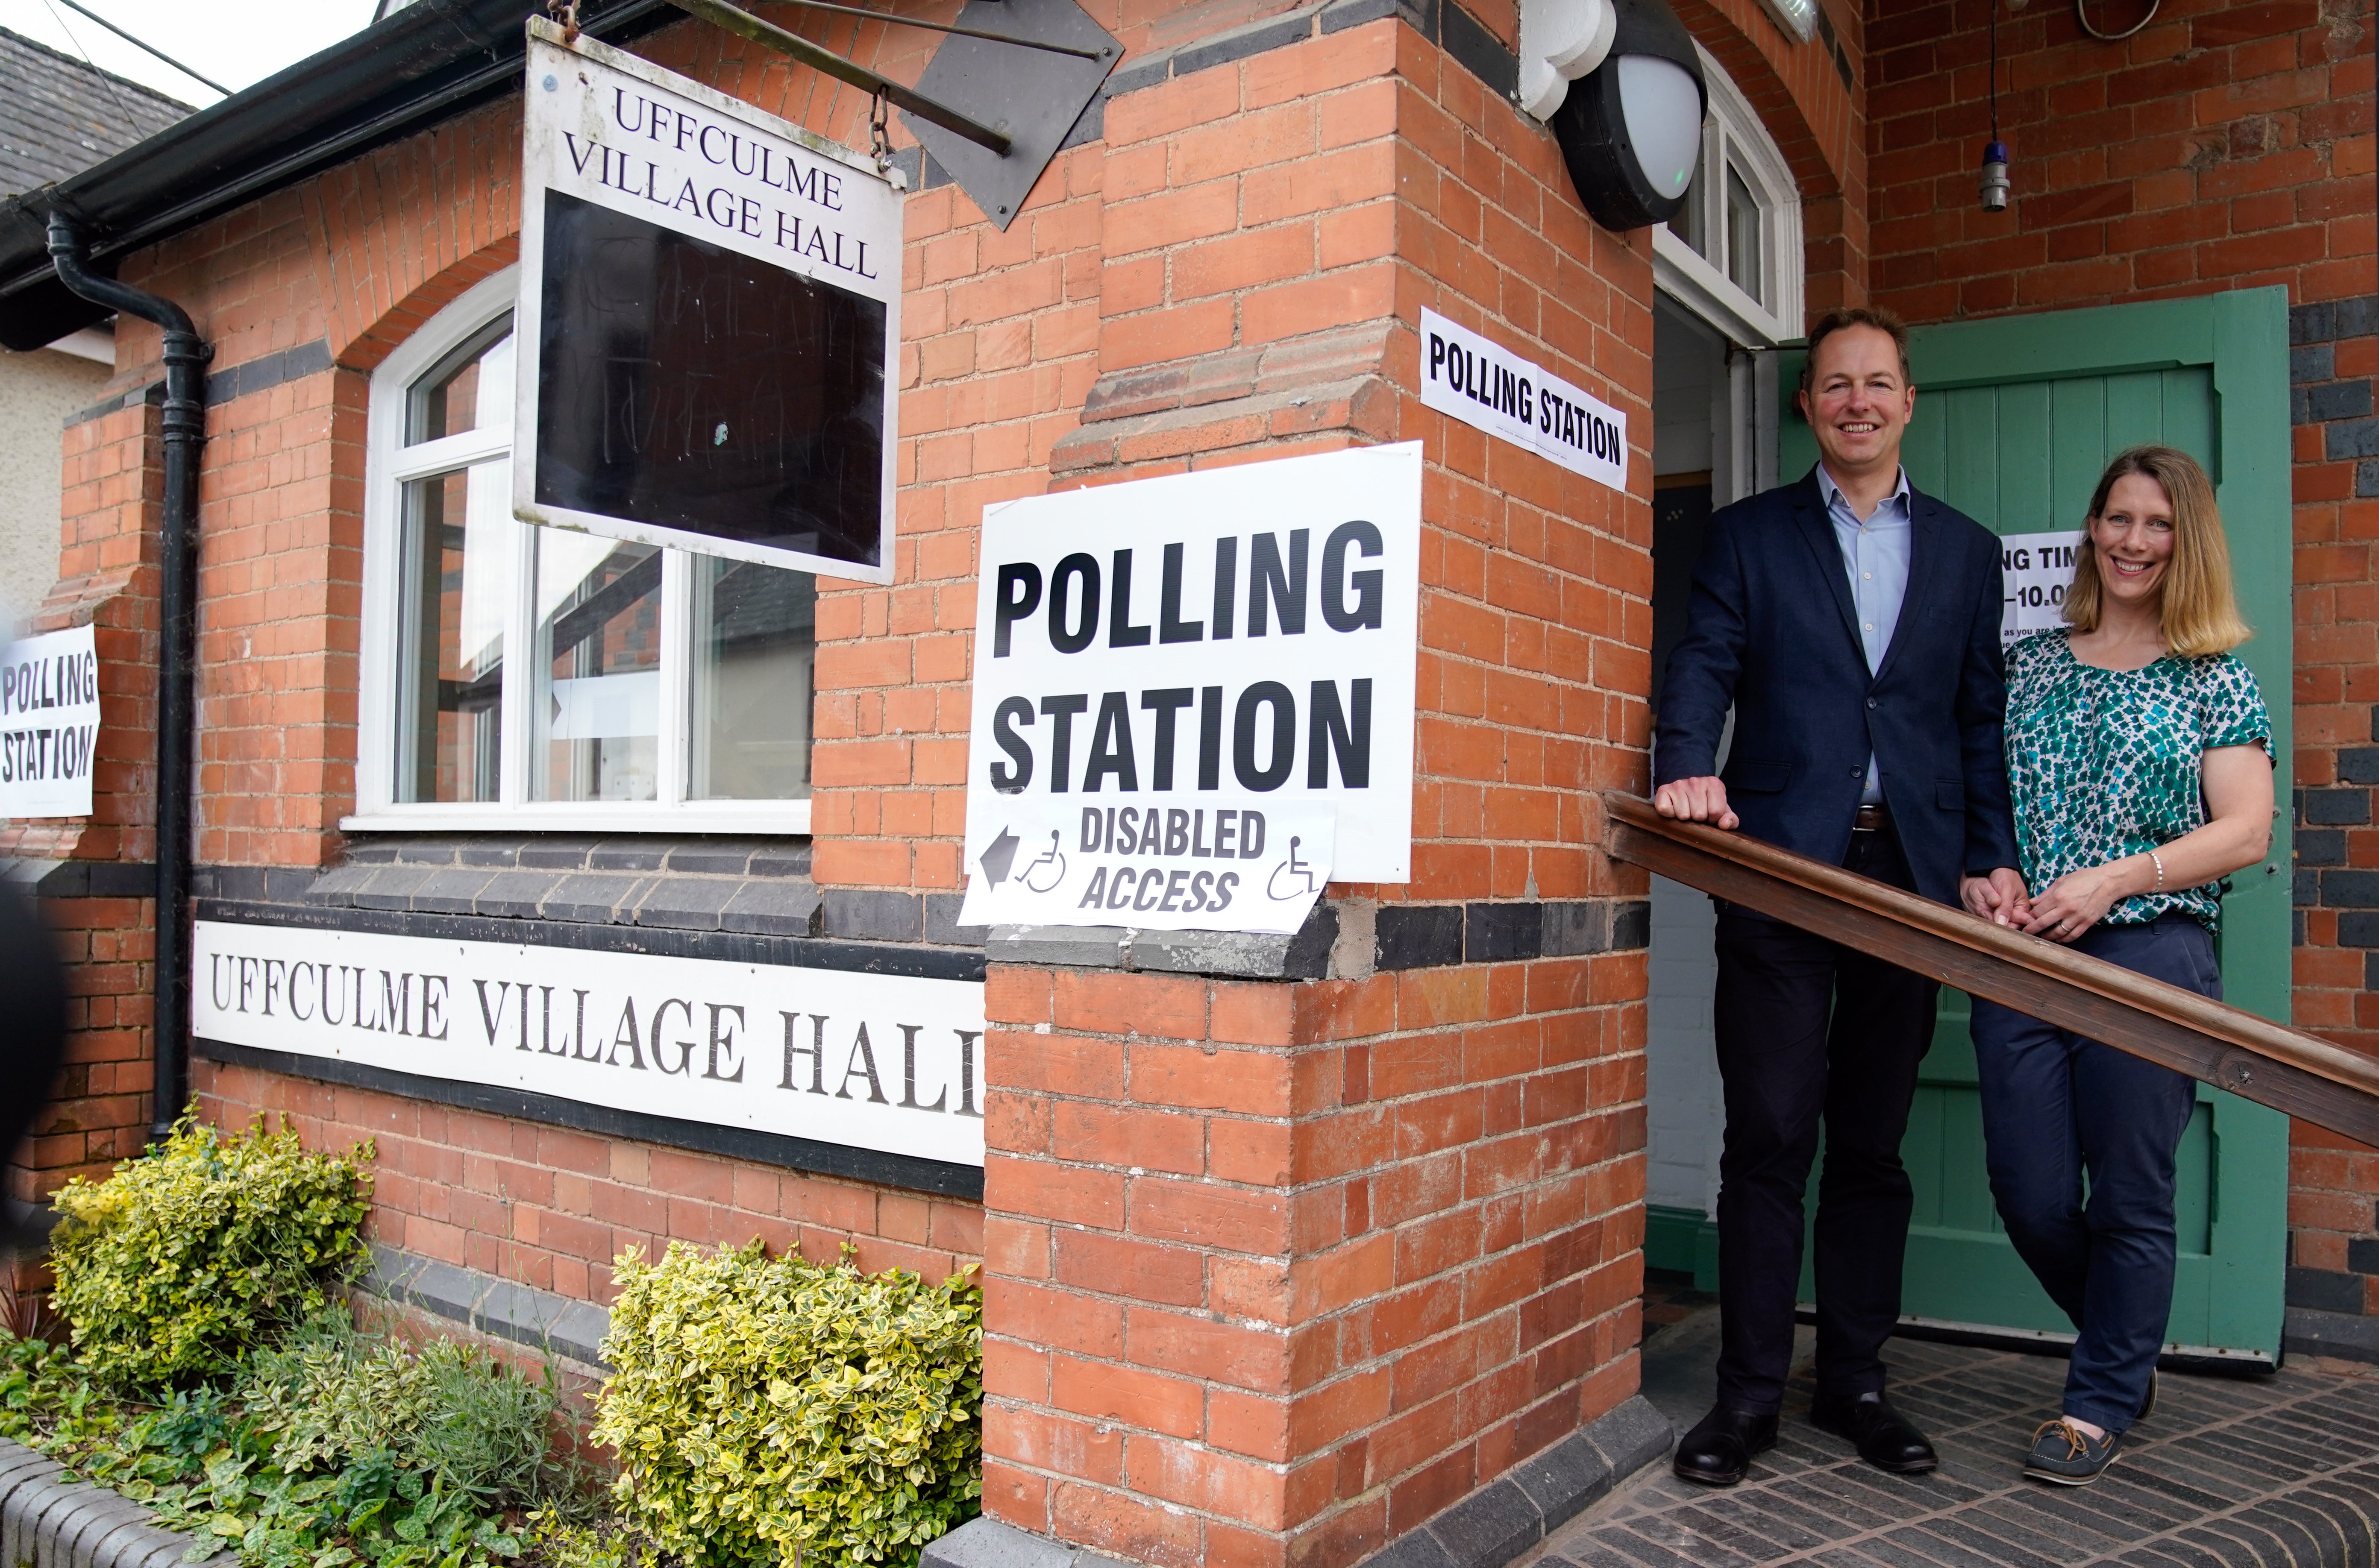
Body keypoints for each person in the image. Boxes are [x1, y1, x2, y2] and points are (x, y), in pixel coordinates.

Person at [1652, 305, 2026, 1487]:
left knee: (1871, 1143)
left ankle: (1856, 1383)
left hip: (1906, 880)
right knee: (1769, 1135)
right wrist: (1683, 759)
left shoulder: (1969, 553)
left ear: (1910, 401)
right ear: (1808, 407)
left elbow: (1978, 722)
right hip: (1780, 867)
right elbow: (1705, 654)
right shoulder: (1748, 537)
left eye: (1878, 382)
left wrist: (1990, 851)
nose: (1858, 401)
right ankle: (1749, 1396)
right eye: (1835, 385)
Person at [1972, 445, 2272, 1487]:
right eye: (2118, 519)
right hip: (2027, 953)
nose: (2134, 541)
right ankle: (2124, 1346)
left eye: (2158, 525)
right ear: (2092, 529)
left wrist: (2116, 879)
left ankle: (2098, 1402)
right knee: (2031, 1192)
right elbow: (1994, 800)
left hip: (2153, 950)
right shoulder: (2035, 664)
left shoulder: (2213, 674)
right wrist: (1993, 869)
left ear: (2186, 542)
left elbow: (2244, 832)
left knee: (2131, 1198)